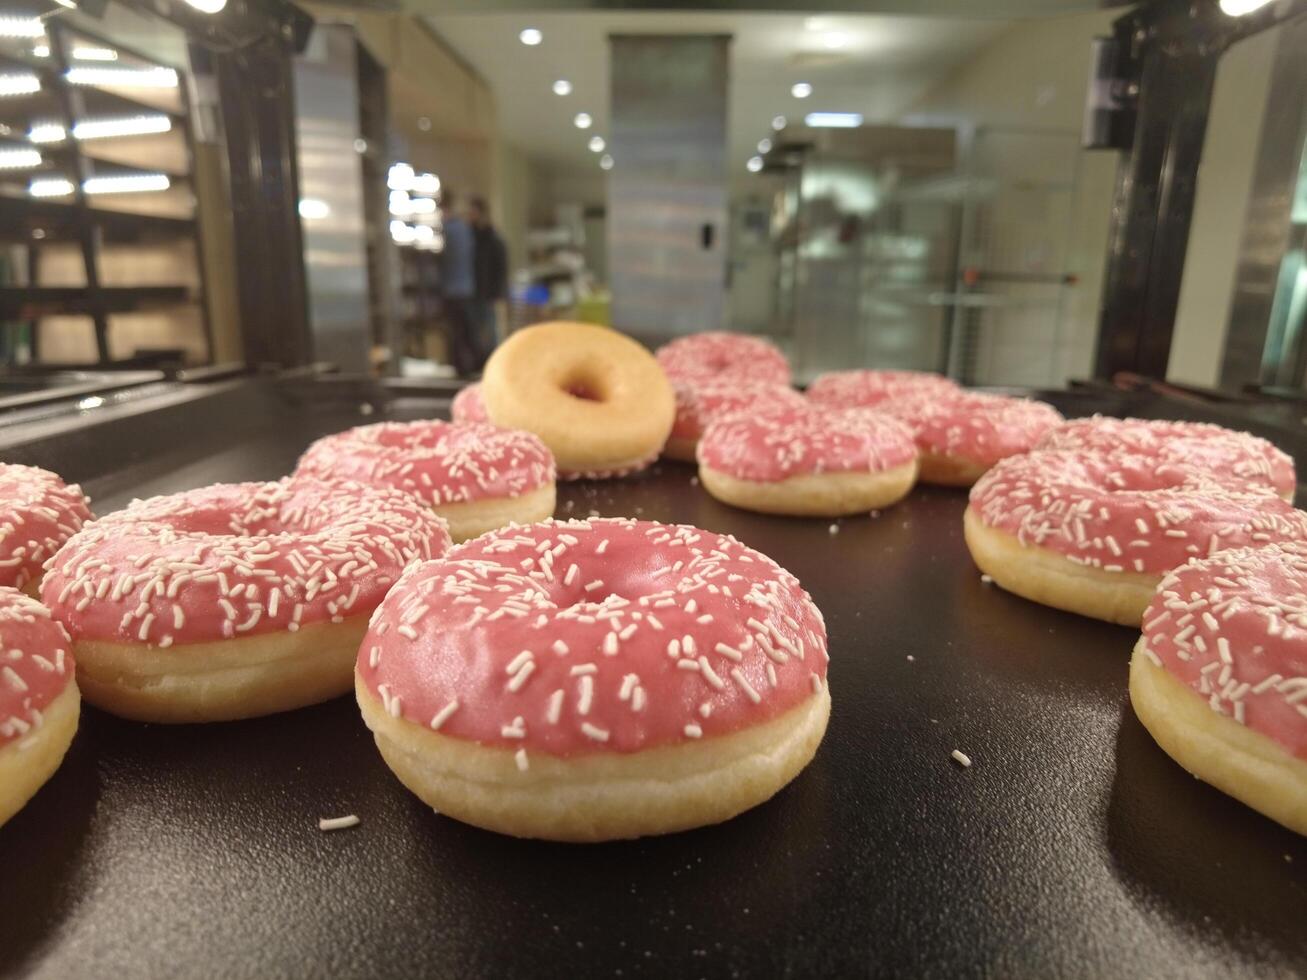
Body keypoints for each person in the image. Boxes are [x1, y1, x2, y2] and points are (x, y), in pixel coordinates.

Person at [438, 190, 478, 376]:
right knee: (466, 331)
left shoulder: (449, 230)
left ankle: (461, 369)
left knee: (457, 333)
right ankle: (472, 367)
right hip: (466, 288)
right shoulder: (464, 229)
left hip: (453, 290)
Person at [468, 196, 508, 369]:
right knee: (475, 329)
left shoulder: (493, 239)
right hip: (472, 290)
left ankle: (492, 362)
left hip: (487, 291)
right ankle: (478, 361)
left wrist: (498, 291)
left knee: (489, 328)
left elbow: (501, 267)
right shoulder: (471, 237)